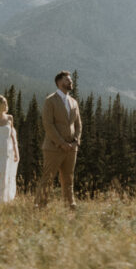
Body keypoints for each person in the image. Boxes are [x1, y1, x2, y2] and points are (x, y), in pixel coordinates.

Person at [36, 71, 81, 209]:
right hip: (53, 147)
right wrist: (61, 143)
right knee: (48, 178)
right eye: (68, 80)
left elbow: (78, 124)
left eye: (71, 80)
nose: (70, 82)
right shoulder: (50, 100)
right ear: (59, 82)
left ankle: (70, 205)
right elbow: (48, 124)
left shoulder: (73, 102)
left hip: (71, 149)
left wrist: (75, 142)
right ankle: (40, 206)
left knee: (68, 178)